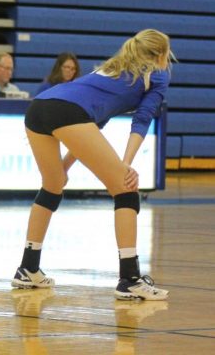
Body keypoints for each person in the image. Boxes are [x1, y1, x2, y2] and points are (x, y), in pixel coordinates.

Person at [13, 29, 172, 301]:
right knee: (126, 190)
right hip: (67, 112)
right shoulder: (157, 74)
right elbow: (143, 119)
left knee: (53, 186)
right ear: (161, 54)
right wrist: (125, 165)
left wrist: (65, 165)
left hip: (39, 107)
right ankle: (130, 279)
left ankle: (27, 268)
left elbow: (91, 123)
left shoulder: (112, 68)